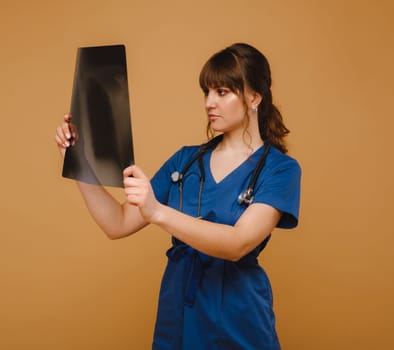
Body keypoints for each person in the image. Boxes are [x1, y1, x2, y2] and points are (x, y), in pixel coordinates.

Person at [55, 43, 301, 350]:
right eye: (206, 92)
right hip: (179, 315)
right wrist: (78, 163)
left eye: (222, 92)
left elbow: (239, 243)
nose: (210, 102)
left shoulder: (279, 169)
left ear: (254, 97)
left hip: (240, 320)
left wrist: (157, 211)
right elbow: (117, 223)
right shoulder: (184, 162)